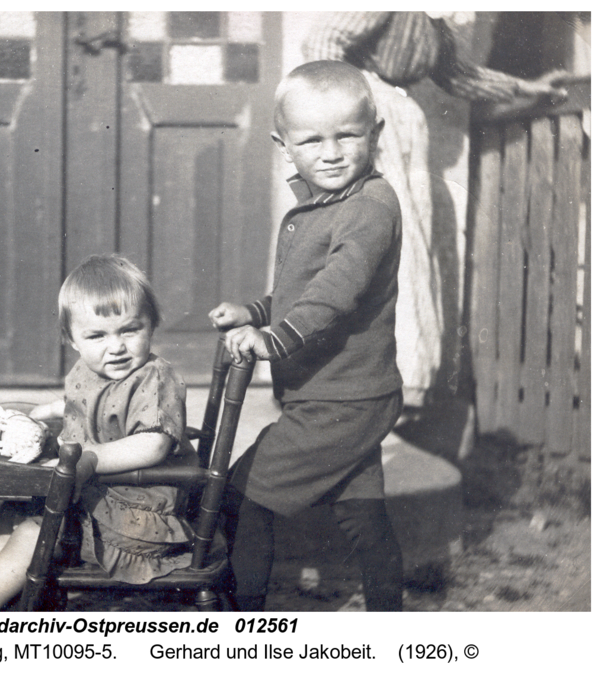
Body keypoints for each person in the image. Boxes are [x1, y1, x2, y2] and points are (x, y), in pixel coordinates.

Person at [210, 60, 404, 611]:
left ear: (376, 135)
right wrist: (253, 312)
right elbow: (302, 293)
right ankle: (392, 616)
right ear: (283, 145)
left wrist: (272, 340)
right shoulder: (324, 205)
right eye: (312, 140)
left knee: (242, 495)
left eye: (348, 135)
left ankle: (244, 622)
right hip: (346, 394)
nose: (332, 151)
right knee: (360, 512)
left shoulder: (368, 208)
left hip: (338, 398)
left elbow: (336, 294)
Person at [303, 11, 568, 407]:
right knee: (378, 240)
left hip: (399, 120)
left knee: (409, 242)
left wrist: (526, 88)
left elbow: (455, 73)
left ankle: (402, 378)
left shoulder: (434, 16)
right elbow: (321, 41)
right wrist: (353, 118)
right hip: (373, 120)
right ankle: (345, 378)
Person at [0, 253, 195, 611]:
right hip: (96, 495)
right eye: (96, 335)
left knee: (33, 533)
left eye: (129, 329)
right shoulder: (89, 372)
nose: (116, 346)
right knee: (14, 507)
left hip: (134, 513)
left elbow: (152, 444)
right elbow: (96, 409)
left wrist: (87, 457)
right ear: (72, 339)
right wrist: (51, 411)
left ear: (152, 325)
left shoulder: (155, 378)